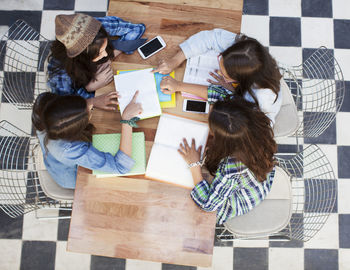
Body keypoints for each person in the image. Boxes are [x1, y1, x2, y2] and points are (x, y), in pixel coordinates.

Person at [178, 98, 277, 224]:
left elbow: (208, 206)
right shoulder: (256, 123)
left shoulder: (232, 168)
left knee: (184, 206)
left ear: (223, 141)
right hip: (259, 177)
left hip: (242, 201)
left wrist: (194, 165)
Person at [154, 29, 283, 125]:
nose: (218, 72)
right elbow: (210, 38)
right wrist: (175, 60)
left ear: (241, 81)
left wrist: (179, 86)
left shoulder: (262, 98)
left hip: (254, 119)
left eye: (225, 75)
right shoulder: (244, 49)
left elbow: (242, 116)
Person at [32, 91, 142, 189]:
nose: (91, 106)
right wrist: (127, 120)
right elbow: (121, 167)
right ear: (76, 128)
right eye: (90, 111)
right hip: (73, 176)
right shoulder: (70, 149)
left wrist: (91, 101)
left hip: (55, 159)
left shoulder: (43, 102)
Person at [47, 13, 146, 111]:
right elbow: (67, 106)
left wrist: (113, 54)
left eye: (104, 49)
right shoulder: (59, 74)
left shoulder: (94, 28)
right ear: (82, 56)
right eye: (100, 53)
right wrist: (88, 89)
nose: (105, 55)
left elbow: (137, 29)